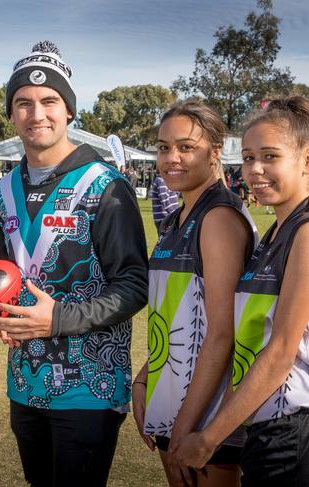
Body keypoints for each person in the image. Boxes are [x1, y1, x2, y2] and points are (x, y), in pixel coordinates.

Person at [0, 41, 149, 487]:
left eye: (49, 101)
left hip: (89, 388)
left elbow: (135, 283)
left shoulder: (106, 186)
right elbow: (6, 280)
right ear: (11, 114)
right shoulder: (0, 193)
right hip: (25, 383)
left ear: (69, 111)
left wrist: (58, 318)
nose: (36, 113)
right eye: (23, 103)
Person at [175, 97, 309, 485]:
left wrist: (209, 438)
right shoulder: (277, 231)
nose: (255, 170)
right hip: (267, 428)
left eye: (270, 156)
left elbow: (283, 350)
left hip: (293, 430)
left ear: (305, 160)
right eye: (248, 157)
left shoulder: (304, 231)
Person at [132, 100, 256, 487]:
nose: (171, 158)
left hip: (205, 418)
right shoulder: (176, 218)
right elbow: (177, 314)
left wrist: (185, 429)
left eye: (186, 147)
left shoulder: (218, 218)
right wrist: (143, 379)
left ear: (215, 153)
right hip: (177, 408)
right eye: (164, 147)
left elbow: (222, 333)